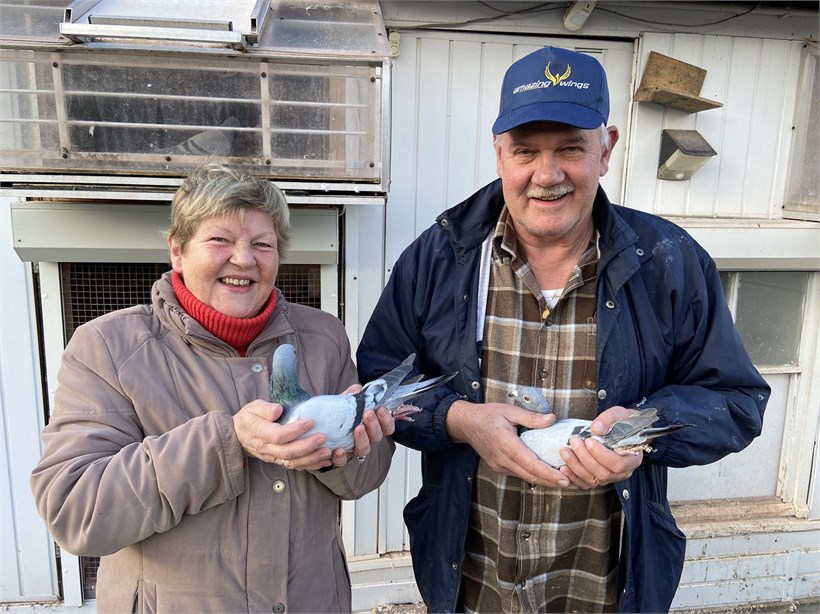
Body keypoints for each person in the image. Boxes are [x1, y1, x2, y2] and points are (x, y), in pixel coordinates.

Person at [357, 46, 769, 613]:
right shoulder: (440, 259)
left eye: (571, 149)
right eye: (526, 150)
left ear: (607, 149)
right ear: (498, 152)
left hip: (604, 591)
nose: (547, 175)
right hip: (473, 586)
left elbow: (737, 402)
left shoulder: (668, 262)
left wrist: (643, 431)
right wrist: (459, 420)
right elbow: (381, 380)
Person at [31, 163, 395, 612]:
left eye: (262, 244)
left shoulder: (323, 337)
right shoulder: (107, 347)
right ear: (178, 251)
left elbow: (364, 478)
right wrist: (227, 442)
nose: (244, 259)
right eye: (220, 239)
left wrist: (350, 452)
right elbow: (76, 511)